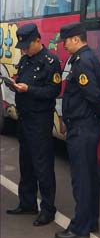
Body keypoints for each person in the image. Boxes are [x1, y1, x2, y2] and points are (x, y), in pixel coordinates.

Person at [55, 22, 100, 238]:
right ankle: (91, 220)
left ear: (76, 39)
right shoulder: (86, 59)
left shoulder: (82, 62)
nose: (63, 45)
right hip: (86, 125)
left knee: (81, 179)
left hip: (82, 127)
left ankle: (80, 227)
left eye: (66, 40)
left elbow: (92, 94)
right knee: (88, 177)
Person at [6, 23, 62, 226]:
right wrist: (12, 84)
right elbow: (22, 80)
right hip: (24, 118)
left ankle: (48, 208)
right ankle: (27, 202)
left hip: (40, 119)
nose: (24, 50)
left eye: (27, 46)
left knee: (42, 165)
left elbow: (52, 92)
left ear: (38, 40)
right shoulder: (25, 60)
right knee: (26, 163)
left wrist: (28, 89)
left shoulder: (50, 61)